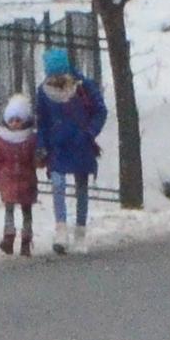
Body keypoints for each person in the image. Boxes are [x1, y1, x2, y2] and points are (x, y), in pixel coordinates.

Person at [27, 48, 106, 245]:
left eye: (59, 72)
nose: (56, 78)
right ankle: (61, 229)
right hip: (58, 146)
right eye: (52, 73)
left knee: (81, 187)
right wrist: (42, 145)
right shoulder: (44, 92)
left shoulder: (83, 87)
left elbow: (100, 111)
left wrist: (89, 132)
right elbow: (42, 121)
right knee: (58, 184)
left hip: (81, 144)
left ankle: (80, 232)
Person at [0, 73, 45, 253]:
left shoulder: (31, 139)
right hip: (8, 180)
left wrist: (40, 159)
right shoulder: (1, 140)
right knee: (9, 210)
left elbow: (36, 161)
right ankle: (9, 237)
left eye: (18, 120)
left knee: (27, 211)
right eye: (11, 119)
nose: (15, 123)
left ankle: (26, 239)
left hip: (26, 180)